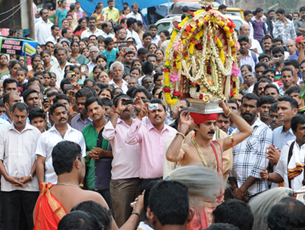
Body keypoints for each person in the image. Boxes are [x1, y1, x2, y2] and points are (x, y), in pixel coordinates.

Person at [0, 102, 41, 230]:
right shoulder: (4, 132)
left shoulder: (35, 133)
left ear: (27, 115)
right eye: (17, 116)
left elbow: (38, 159)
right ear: (12, 114)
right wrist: (7, 177)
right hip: (8, 186)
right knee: (10, 223)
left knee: (31, 222)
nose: (19, 119)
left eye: (22, 117)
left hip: (31, 185)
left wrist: (29, 176)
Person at [103, 94, 140, 227]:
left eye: (128, 103)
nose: (126, 106)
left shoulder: (141, 122)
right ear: (115, 107)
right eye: (122, 103)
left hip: (142, 178)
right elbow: (107, 135)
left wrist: (140, 110)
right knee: (122, 221)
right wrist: (117, 112)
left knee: (141, 221)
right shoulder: (114, 124)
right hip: (122, 180)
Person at [229, 93, 272, 201]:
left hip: (256, 192)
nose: (247, 109)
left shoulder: (264, 130)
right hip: (236, 192)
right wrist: (236, 188)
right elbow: (230, 162)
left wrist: (243, 189)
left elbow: (261, 163)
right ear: (240, 107)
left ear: (257, 110)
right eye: (245, 105)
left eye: (251, 106)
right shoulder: (235, 132)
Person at [126, 98, 177, 183]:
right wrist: (139, 118)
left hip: (169, 180)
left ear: (165, 114)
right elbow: (129, 140)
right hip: (148, 182)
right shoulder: (143, 130)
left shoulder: (173, 133)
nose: (157, 113)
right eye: (153, 111)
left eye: (159, 110)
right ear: (148, 115)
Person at [36, 102, 86, 186]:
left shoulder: (78, 135)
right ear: (51, 117)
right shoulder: (44, 136)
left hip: (73, 184)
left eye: (64, 113)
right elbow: (40, 162)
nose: (62, 116)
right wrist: (42, 186)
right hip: (51, 184)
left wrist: (81, 183)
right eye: (58, 114)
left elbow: (82, 160)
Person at [82, 97, 113, 209]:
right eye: (90, 110)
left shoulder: (113, 127)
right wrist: (89, 154)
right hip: (91, 180)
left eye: (96, 108)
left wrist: (105, 153)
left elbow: (122, 153)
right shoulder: (85, 131)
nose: (94, 112)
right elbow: (81, 153)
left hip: (110, 181)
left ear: (103, 108)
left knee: (111, 215)